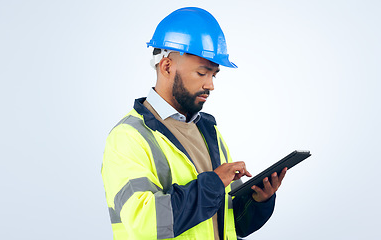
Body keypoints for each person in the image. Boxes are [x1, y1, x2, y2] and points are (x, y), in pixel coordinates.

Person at [101, 7, 287, 240]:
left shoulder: (209, 130)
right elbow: (144, 224)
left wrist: (258, 201)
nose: (210, 85)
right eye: (202, 73)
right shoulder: (128, 137)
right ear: (167, 66)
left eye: (214, 75)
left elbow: (230, 223)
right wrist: (213, 184)